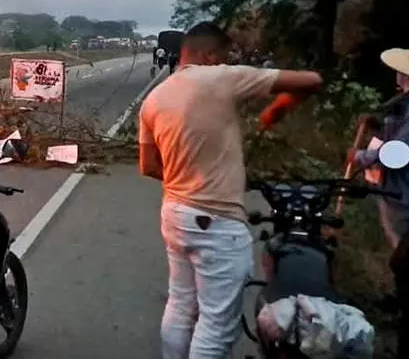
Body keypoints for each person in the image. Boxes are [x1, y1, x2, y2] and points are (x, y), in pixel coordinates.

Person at [138, 21, 322, 359]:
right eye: (223, 57)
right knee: (216, 323)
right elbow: (311, 81)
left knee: (180, 305)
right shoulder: (220, 77)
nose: (226, 63)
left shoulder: (154, 99)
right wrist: (277, 108)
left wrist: (187, 178)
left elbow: (149, 166)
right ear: (208, 55)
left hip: (175, 213)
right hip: (217, 221)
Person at [348, 43, 409, 359]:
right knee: (405, 266)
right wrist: (379, 126)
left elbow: (400, 155)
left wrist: (361, 156)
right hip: (402, 202)